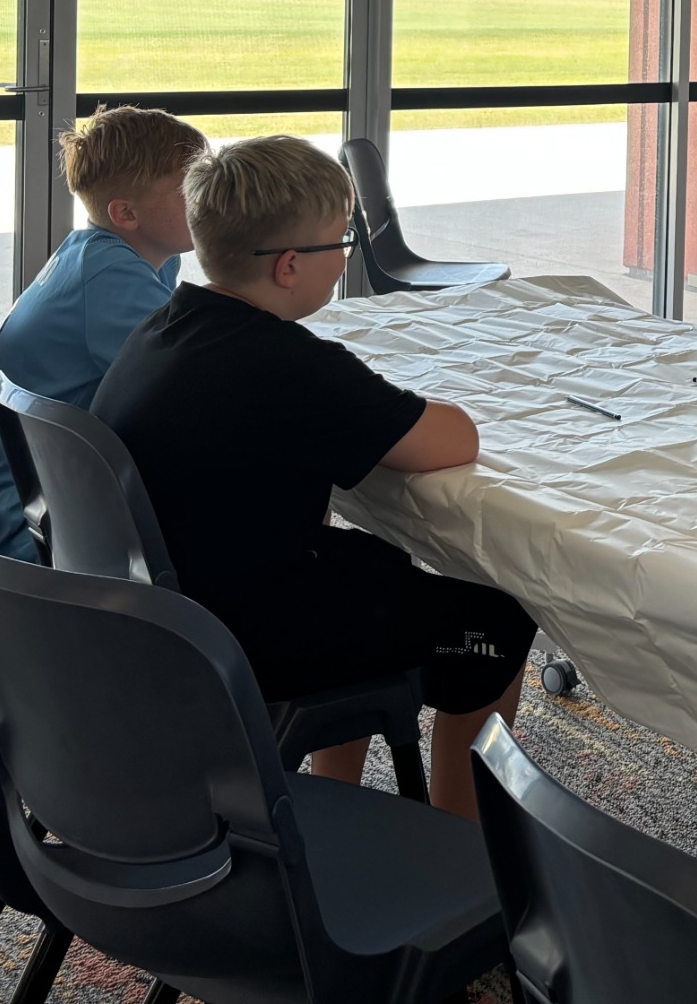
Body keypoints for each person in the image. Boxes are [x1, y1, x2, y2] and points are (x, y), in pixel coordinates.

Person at [91, 135, 535, 814]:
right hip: (239, 632)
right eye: (342, 243)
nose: (346, 259)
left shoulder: (166, 325)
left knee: (373, 562)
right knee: (498, 621)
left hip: (170, 604)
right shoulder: (288, 366)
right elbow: (452, 438)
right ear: (290, 265)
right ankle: (464, 842)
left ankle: (335, 791)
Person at [0, 106, 206, 560]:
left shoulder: (114, 255)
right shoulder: (112, 277)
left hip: (44, 489)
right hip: (39, 522)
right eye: (190, 187)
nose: (208, 197)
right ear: (126, 214)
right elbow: (189, 385)